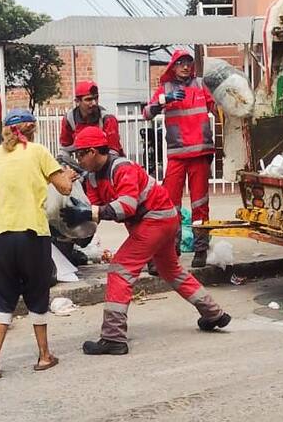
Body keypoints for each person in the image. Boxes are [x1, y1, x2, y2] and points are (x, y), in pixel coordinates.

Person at [65, 126, 230, 355]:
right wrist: (77, 228)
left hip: (155, 219)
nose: (78, 160)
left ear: (92, 152)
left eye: (80, 154)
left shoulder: (121, 168)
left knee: (119, 271)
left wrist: (88, 213)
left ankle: (113, 337)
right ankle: (214, 314)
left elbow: (125, 206)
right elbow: (95, 212)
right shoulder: (93, 178)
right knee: (171, 270)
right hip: (159, 220)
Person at [0, 108, 76, 379]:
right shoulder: (38, 152)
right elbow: (65, 188)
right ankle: (44, 356)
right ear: (32, 128)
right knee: (36, 294)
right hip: (30, 233)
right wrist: (67, 176)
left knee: (1, 300)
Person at [144, 49, 215, 268]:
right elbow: (146, 113)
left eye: (188, 63)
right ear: (173, 66)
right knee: (170, 205)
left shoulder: (202, 85)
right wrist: (165, 100)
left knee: (200, 204)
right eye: (181, 63)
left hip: (200, 153)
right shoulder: (165, 89)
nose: (185, 66)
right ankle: (170, 249)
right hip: (177, 154)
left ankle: (200, 249)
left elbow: (219, 106)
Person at [59, 81, 123, 157]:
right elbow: (65, 148)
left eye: (96, 98)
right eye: (88, 99)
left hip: (106, 164)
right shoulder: (69, 119)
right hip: (82, 164)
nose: (94, 103)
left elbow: (113, 152)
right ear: (77, 101)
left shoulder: (108, 119)